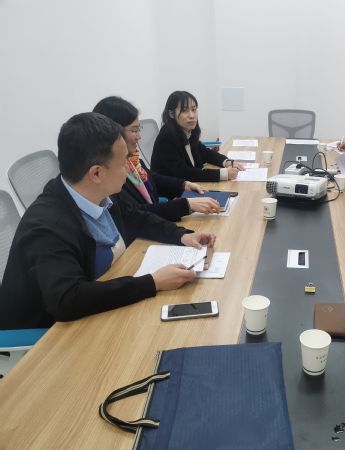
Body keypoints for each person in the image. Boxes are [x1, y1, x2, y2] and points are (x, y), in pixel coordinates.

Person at [0, 112, 216, 329]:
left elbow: (138, 218)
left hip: (98, 299)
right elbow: (68, 299)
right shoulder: (47, 226)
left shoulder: (100, 192)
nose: (129, 168)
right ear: (96, 173)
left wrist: (182, 235)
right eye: (123, 163)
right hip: (47, 333)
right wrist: (153, 282)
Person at [92, 96, 221, 221]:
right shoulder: (110, 174)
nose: (139, 136)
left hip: (156, 219)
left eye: (194, 109)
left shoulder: (133, 160)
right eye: (134, 130)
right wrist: (185, 205)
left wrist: (183, 185)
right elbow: (134, 215)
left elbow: (152, 177)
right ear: (114, 133)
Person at [151, 91, 244, 181]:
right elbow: (184, 173)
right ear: (171, 114)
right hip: (174, 190)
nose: (192, 115)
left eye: (194, 109)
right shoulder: (167, 137)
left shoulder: (187, 130)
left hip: (192, 185)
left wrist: (227, 162)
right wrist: (223, 174)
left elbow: (204, 152)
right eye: (184, 110)